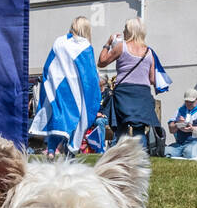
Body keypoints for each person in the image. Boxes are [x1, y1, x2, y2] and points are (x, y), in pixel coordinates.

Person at [30, 17, 101, 159]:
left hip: (57, 86)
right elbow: (90, 74)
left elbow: (49, 65)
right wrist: (93, 92)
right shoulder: (85, 46)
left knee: (57, 117)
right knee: (77, 119)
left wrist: (48, 83)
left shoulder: (59, 41)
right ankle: (70, 151)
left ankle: (51, 150)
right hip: (75, 89)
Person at [96, 18, 161, 145]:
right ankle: (140, 157)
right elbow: (153, 79)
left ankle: (120, 157)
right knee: (139, 130)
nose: (123, 31)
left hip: (124, 92)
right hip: (142, 93)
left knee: (122, 129)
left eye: (125, 29)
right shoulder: (149, 52)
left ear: (130, 31)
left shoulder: (121, 47)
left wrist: (108, 43)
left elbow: (101, 62)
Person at [165, 86, 197, 159]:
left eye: (191, 102)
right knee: (165, 152)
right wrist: (177, 124)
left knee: (189, 152)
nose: (188, 104)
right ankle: (184, 154)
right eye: (186, 101)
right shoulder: (180, 111)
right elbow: (171, 129)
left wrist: (192, 129)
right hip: (180, 144)